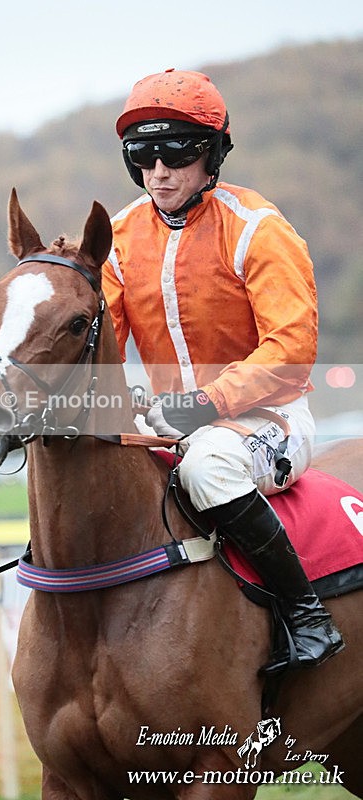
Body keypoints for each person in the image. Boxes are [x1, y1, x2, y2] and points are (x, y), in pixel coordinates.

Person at [102, 68, 343, 676]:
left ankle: (307, 614)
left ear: (211, 153)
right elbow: (97, 335)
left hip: (269, 420)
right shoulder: (122, 238)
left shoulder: (258, 227)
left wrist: (203, 404)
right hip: (170, 426)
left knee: (208, 464)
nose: (159, 171)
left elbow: (291, 347)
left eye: (175, 152)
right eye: (143, 155)